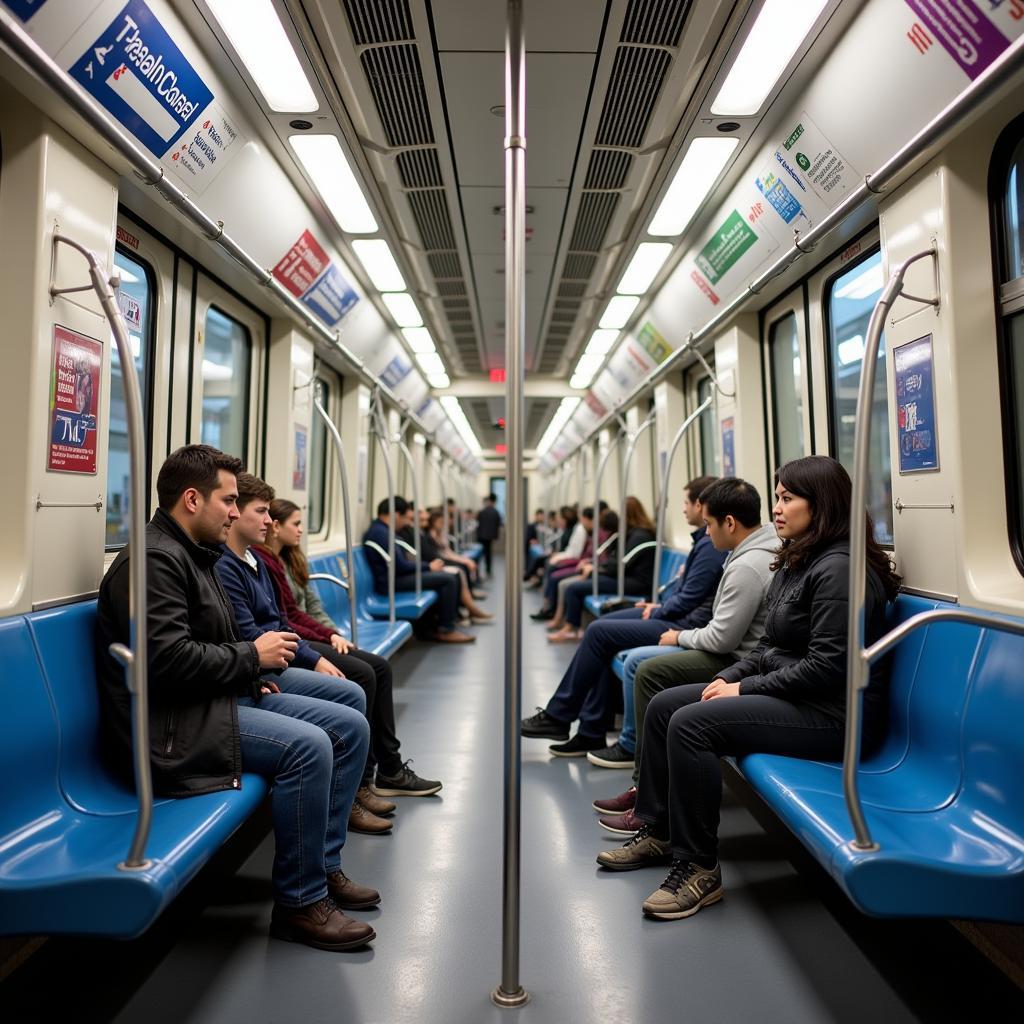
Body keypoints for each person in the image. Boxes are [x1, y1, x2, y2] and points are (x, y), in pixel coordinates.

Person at [95, 445, 377, 952]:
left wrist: (250, 673)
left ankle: (323, 867)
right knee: (308, 747)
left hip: (208, 703)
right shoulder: (155, 562)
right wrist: (252, 659)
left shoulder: (194, 553)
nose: (233, 510)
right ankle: (299, 903)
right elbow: (166, 664)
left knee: (350, 726)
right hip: (168, 726)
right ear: (190, 499)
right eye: (227, 500)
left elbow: (213, 641)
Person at [596, 456, 901, 923]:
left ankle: (698, 867)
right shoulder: (796, 559)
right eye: (776, 497)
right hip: (796, 698)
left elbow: (829, 666)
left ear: (821, 505)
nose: (777, 508)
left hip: (835, 715)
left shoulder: (839, 569)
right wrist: (731, 677)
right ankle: (660, 828)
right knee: (664, 704)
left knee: (693, 725)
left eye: (787, 498)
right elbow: (768, 646)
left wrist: (746, 688)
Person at [589, 479, 778, 830]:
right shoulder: (749, 554)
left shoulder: (747, 566)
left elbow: (722, 639)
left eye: (709, 525)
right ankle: (646, 788)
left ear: (730, 523)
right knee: (643, 667)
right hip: (738, 652)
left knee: (648, 671)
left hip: (737, 660)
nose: (706, 533)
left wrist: (680, 635)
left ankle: (648, 793)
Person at [522, 480, 740, 756]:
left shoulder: (709, 546)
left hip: (683, 622)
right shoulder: (704, 541)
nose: (684, 509)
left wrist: (659, 609)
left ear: (701, 505)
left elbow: (689, 600)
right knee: (601, 633)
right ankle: (587, 729)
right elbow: (685, 593)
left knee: (600, 633)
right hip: (674, 611)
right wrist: (657, 605)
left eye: (686, 503)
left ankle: (563, 717)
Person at [256, 497, 443, 806]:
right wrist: (326, 639)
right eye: (297, 524)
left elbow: (310, 606)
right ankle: (363, 781)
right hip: (294, 641)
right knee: (365, 674)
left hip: (310, 634)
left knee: (379, 667)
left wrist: (333, 633)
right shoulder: (264, 564)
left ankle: (387, 770)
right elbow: (285, 619)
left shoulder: (289, 559)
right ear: (276, 527)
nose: (301, 530)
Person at [545, 496, 658, 644]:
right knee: (576, 585)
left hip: (636, 583)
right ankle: (572, 625)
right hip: (625, 577)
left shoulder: (640, 537)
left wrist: (595, 570)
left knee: (573, 588)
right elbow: (615, 560)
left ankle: (570, 628)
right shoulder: (631, 534)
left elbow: (620, 565)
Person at [364, 497, 474, 643]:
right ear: (396, 515)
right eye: (405, 518)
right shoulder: (381, 534)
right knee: (448, 580)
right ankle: (446, 629)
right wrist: (428, 567)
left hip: (396, 577)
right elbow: (400, 566)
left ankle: (432, 627)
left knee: (446, 576)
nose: (405, 523)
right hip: (391, 583)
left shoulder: (382, 531)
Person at [476, 493, 502, 579]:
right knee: (488, 553)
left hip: (481, 535)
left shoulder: (482, 511)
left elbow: (478, 522)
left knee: (480, 554)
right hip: (490, 537)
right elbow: (498, 525)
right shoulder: (496, 512)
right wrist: (495, 536)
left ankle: (477, 572)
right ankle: (488, 570)